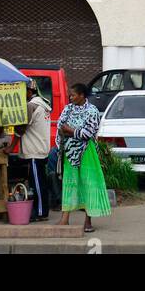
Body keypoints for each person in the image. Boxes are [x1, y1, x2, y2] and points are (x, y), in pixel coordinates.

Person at [56, 83, 110, 233]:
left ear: (82, 95)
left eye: (73, 95)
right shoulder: (68, 109)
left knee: (88, 184)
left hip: (87, 152)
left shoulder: (92, 111)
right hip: (69, 151)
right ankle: (65, 219)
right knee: (69, 183)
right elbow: (60, 127)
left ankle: (88, 221)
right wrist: (69, 132)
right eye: (70, 95)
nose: (70, 97)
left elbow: (88, 134)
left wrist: (70, 131)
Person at [12, 80, 52, 221]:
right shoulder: (43, 104)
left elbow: (20, 129)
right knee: (40, 182)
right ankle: (41, 210)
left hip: (34, 151)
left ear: (29, 91)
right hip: (41, 149)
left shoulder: (31, 105)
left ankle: (41, 212)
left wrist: (10, 147)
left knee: (37, 184)